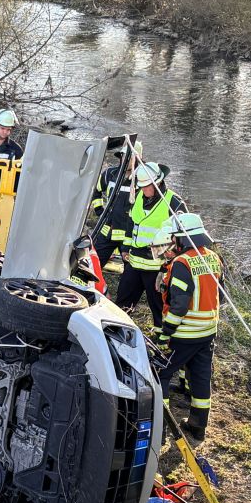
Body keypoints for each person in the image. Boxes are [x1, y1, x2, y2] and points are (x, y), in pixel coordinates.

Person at [151, 212, 221, 441]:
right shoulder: (213, 257)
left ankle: (160, 429)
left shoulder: (182, 263)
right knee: (200, 377)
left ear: (182, 238)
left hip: (185, 333)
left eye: (175, 237)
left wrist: (165, 333)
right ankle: (198, 426)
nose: (173, 241)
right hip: (208, 331)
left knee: (161, 372)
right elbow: (219, 293)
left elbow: (179, 305)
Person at [115, 162, 187, 329]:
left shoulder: (174, 203)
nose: (144, 190)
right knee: (122, 302)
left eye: (147, 186)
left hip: (157, 267)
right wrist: (125, 249)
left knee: (159, 307)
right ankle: (117, 330)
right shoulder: (137, 197)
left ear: (158, 183)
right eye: (141, 186)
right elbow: (131, 224)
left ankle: (162, 337)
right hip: (134, 262)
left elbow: (183, 236)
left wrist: (169, 263)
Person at [90, 140, 142, 266]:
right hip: (108, 230)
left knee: (130, 271)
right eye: (123, 156)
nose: (125, 160)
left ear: (137, 158)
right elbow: (96, 191)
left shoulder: (143, 178)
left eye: (129, 157)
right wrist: (99, 210)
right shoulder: (110, 174)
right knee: (94, 264)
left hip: (129, 236)